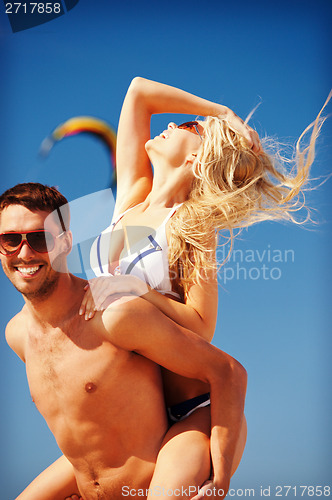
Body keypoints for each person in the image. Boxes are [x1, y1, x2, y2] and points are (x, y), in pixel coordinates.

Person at [78, 78, 329, 498]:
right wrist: (222, 114)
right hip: (136, 414)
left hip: (192, 412)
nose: (173, 124)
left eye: (189, 127)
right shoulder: (131, 200)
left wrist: (135, 291)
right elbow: (139, 92)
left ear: (196, 157)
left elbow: (200, 326)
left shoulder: (191, 225)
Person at [0, 182, 247, 500]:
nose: (24, 253)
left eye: (40, 238)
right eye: (9, 240)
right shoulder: (16, 335)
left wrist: (221, 479)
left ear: (65, 243)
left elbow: (229, 371)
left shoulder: (114, 315)